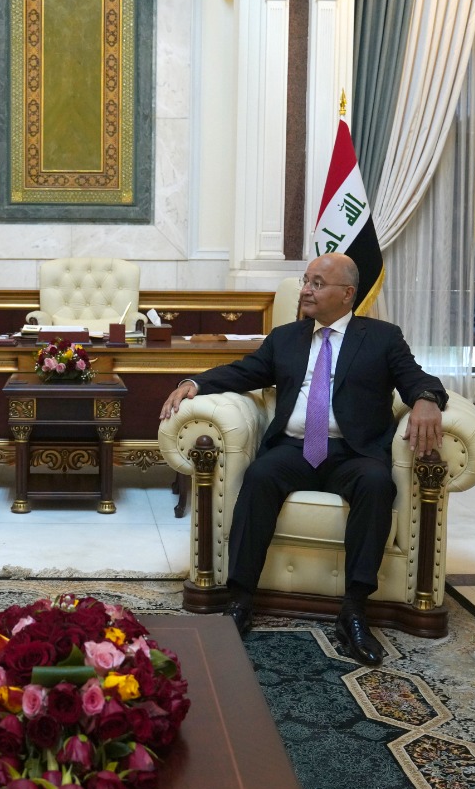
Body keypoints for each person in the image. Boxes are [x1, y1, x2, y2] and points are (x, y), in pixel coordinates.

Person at [158, 253, 445, 665]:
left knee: (377, 483)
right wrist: (195, 383)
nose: (306, 290)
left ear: (347, 294)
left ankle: (354, 610)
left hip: (353, 453)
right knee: (259, 475)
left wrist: (426, 398)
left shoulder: (382, 338)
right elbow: (244, 371)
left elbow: (415, 378)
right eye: (306, 281)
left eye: (317, 283)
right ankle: (240, 600)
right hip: (294, 449)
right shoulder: (286, 338)